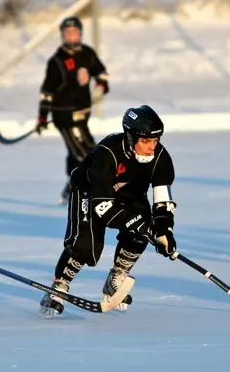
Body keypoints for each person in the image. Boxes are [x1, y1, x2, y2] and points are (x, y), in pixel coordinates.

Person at [39, 105, 177, 316]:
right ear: (131, 138)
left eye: (155, 141)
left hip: (129, 195)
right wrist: (130, 222)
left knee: (144, 229)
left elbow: (162, 200)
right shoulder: (108, 152)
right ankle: (58, 287)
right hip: (90, 192)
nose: (152, 147)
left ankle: (117, 278)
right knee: (86, 245)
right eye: (146, 141)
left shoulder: (160, 158)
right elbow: (102, 204)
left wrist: (164, 231)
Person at [35, 16, 110, 204]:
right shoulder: (57, 61)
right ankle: (88, 191)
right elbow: (47, 92)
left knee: (81, 149)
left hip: (82, 113)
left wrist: (100, 87)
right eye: (66, 33)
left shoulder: (87, 53)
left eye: (74, 32)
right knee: (84, 153)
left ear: (80, 33)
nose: (70, 36)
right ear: (62, 35)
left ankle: (72, 187)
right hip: (64, 116)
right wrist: (43, 116)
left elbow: (102, 73)